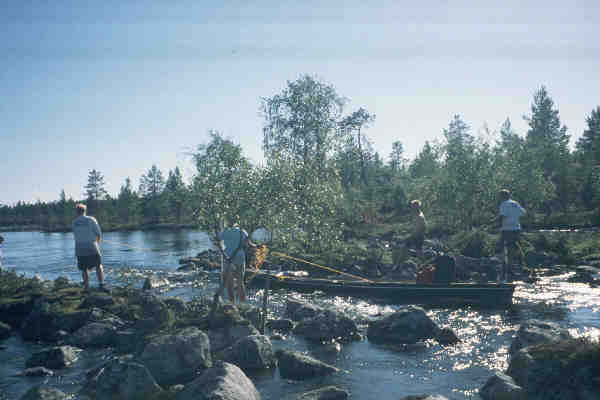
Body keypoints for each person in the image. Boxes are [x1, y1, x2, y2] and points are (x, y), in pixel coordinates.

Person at [72, 203, 107, 292]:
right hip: (91, 246)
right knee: (98, 265)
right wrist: (98, 244)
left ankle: (87, 287)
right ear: (85, 211)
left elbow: (76, 235)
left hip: (79, 248)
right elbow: (99, 233)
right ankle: (101, 284)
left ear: (77, 212)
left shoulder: (74, 222)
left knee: (84, 269)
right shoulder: (91, 219)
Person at [218, 225, 254, 303]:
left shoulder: (224, 231)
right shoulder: (242, 231)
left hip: (228, 257)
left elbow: (219, 244)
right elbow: (247, 244)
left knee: (229, 283)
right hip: (240, 257)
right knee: (240, 282)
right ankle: (242, 304)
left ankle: (232, 304)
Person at [498, 189, 526, 278]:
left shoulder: (503, 204)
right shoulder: (515, 203)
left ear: (503, 196)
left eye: (500, 196)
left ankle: (507, 268)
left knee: (505, 248)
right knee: (513, 248)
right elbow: (523, 213)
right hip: (516, 228)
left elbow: (502, 216)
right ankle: (514, 266)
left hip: (507, 229)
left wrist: (494, 224)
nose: (499, 198)